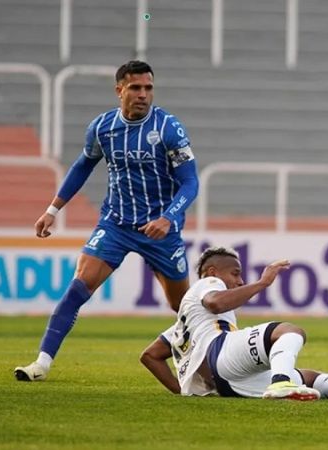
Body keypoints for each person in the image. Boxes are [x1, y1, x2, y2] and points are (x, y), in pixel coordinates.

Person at [15, 60, 199, 382]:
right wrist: (52, 210)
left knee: (185, 308)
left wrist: (169, 218)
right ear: (119, 90)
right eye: (136, 88)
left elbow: (190, 182)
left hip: (159, 230)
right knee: (76, 290)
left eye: (148, 88)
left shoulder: (169, 128)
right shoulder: (102, 127)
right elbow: (83, 166)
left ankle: (220, 358)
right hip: (115, 224)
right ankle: (41, 364)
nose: (143, 94)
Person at [140, 247, 328, 400]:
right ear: (213, 272)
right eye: (236, 273)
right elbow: (216, 303)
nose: (240, 281)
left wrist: (182, 390)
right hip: (221, 356)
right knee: (289, 331)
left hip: (224, 385)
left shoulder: (186, 324)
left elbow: (150, 356)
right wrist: (262, 283)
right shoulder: (207, 284)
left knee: (307, 378)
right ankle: (281, 382)